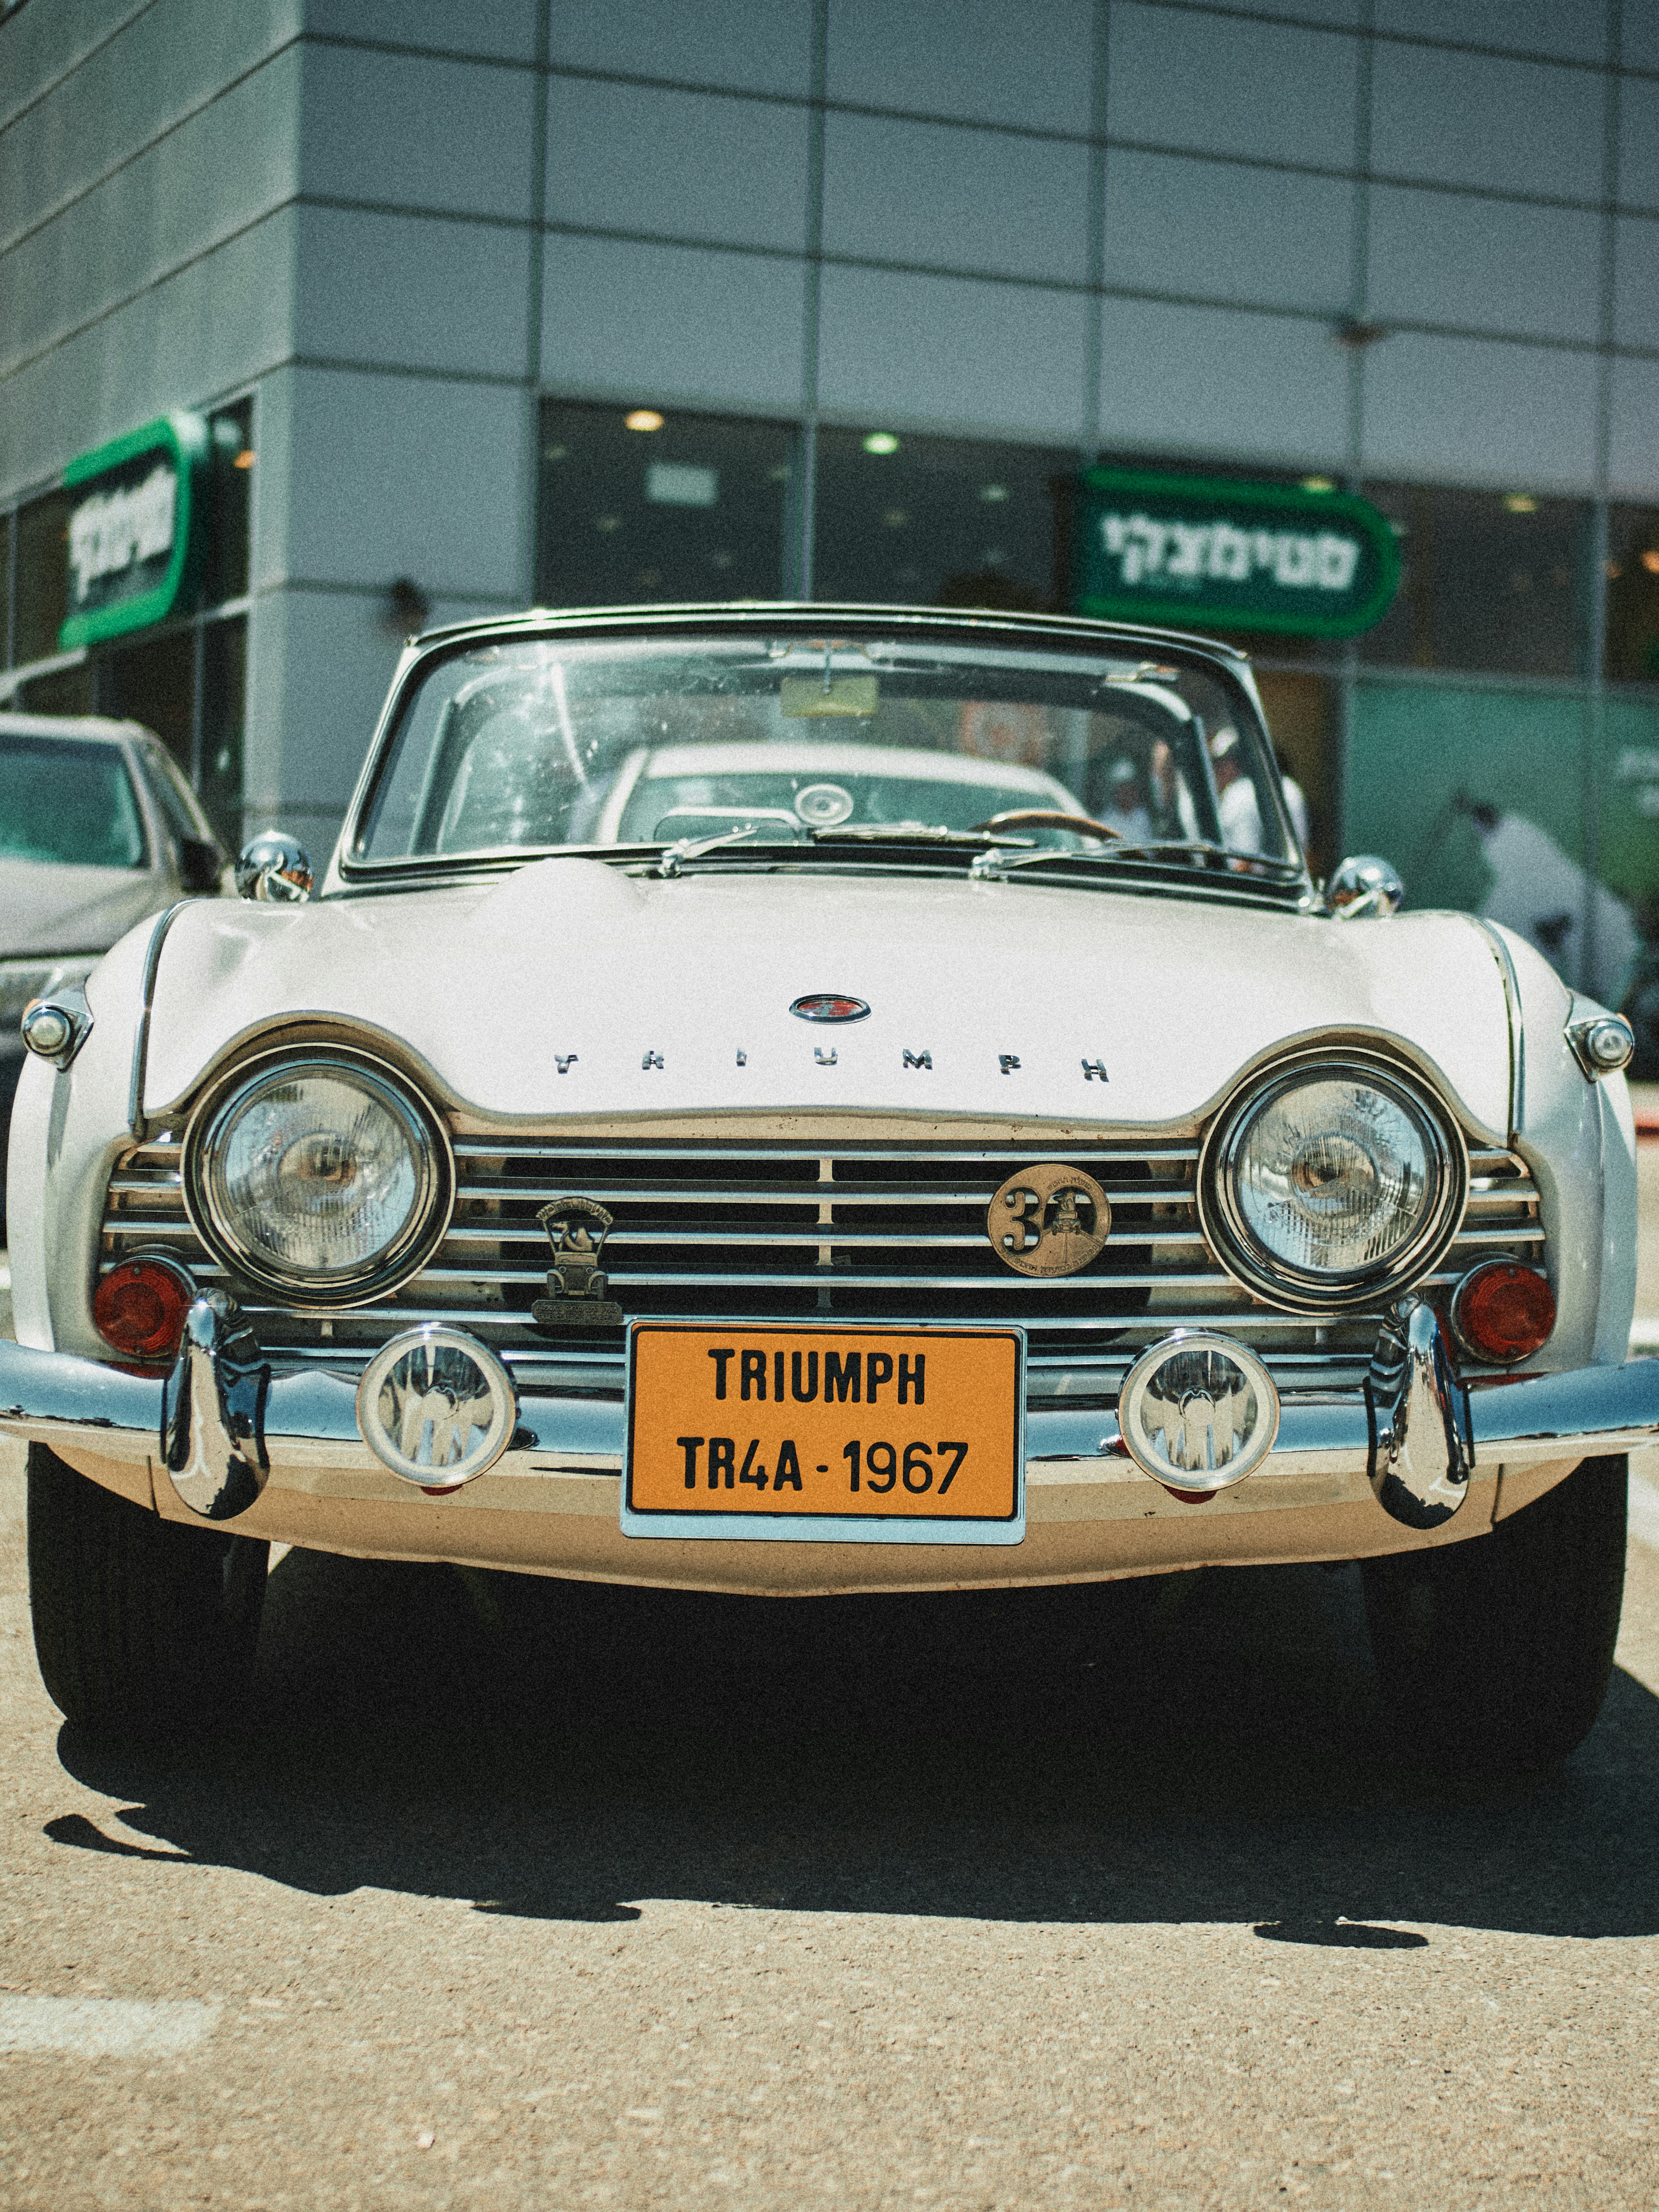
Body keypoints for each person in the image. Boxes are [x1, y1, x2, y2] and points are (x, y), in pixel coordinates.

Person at [1210, 727, 1265, 854]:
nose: (1217, 772)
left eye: (1222, 764)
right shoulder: (1245, 790)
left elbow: (1244, 859)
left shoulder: (1239, 795)